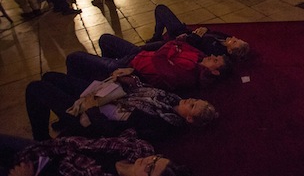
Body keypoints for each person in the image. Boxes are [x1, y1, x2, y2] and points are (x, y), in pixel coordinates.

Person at [25, 71, 217, 141]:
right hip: (109, 95)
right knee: (51, 77)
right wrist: (129, 80)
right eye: (194, 100)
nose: (190, 100)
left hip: (96, 116)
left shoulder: (162, 126)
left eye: (192, 106)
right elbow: (143, 89)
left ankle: (41, 138)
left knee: (36, 88)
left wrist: (92, 108)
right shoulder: (172, 99)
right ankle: (63, 119)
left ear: (189, 119)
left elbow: (114, 132)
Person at [66, 34, 231, 91]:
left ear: (215, 71)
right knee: (105, 39)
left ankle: (79, 87)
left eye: (215, 60)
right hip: (139, 54)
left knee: (74, 57)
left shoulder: (188, 76)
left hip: (131, 66)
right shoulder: (200, 55)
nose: (211, 56)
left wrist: (171, 49)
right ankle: (105, 76)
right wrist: (172, 48)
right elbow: (177, 43)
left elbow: (159, 59)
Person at [3, 130, 192, 176]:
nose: (149, 160)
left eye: (151, 168)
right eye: (157, 158)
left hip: (32, 169)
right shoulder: (139, 151)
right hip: (45, 147)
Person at [146, 4, 250, 61]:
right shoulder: (226, 39)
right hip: (186, 32)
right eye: (237, 39)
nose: (234, 38)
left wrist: (196, 35)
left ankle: (156, 38)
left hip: (180, 40)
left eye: (235, 42)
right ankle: (157, 36)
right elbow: (211, 31)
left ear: (230, 51)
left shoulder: (217, 52)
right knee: (160, 9)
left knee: (161, 10)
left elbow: (194, 48)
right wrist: (204, 30)